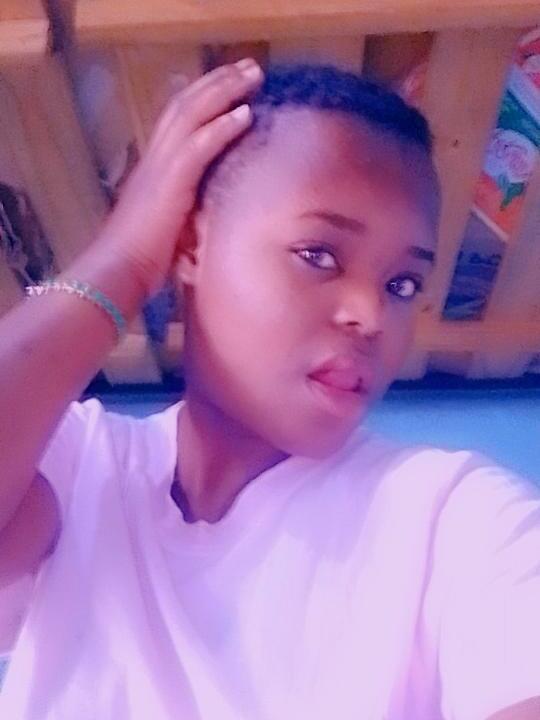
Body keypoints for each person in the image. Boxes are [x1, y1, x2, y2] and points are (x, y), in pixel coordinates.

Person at [0, 58, 539, 720]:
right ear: (190, 245)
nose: (371, 315)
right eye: (319, 255)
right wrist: (126, 259)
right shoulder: (79, 467)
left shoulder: (456, 519)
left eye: (402, 284)